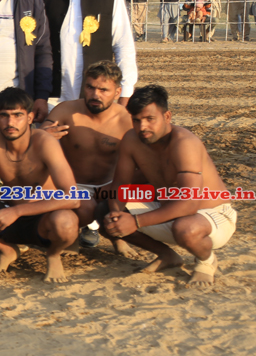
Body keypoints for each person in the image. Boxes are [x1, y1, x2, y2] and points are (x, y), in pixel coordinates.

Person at [101, 85, 236, 288]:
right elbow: (120, 185)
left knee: (186, 228)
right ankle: (167, 255)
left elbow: (190, 204)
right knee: (104, 213)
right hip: (168, 210)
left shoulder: (184, 143)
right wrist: (115, 214)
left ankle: (206, 261)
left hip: (211, 214)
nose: (142, 127)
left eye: (150, 119)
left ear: (167, 116)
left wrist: (135, 221)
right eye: (136, 120)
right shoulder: (132, 139)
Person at [0, 87, 81, 283]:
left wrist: (18, 212)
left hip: (41, 218)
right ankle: (7, 250)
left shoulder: (45, 142)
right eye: (4, 115)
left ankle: (53, 254)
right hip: (6, 216)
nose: (10, 123)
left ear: (30, 118)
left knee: (66, 222)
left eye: (17, 115)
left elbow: (73, 198)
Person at [40, 60, 135, 253]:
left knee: (128, 201)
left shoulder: (127, 120)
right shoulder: (66, 110)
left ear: (117, 92)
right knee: (85, 207)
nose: (95, 95)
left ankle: (116, 238)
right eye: (90, 87)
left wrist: (117, 187)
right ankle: (72, 234)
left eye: (103, 90)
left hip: (108, 185)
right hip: (73, 186)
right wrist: (43, 135)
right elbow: (39, 136)